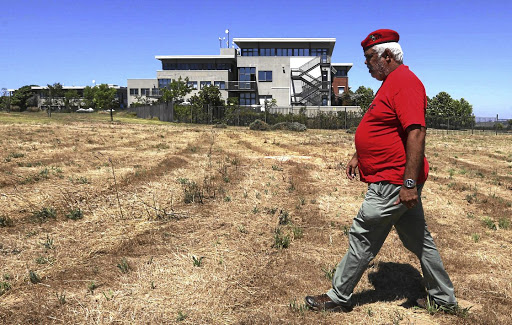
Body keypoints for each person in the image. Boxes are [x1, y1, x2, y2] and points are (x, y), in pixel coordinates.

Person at [305, 29, 457, 312]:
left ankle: (338, 296)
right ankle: (443, 299)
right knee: (419, 240)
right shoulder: (391, 83)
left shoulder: (405, 83)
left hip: (394, 180)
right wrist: (358, 155)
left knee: (363, 234)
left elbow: (416, 133)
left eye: (369, 57)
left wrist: (409, 183)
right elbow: (384, 128)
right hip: (394, 178)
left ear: (387, 55)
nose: (366, 63)